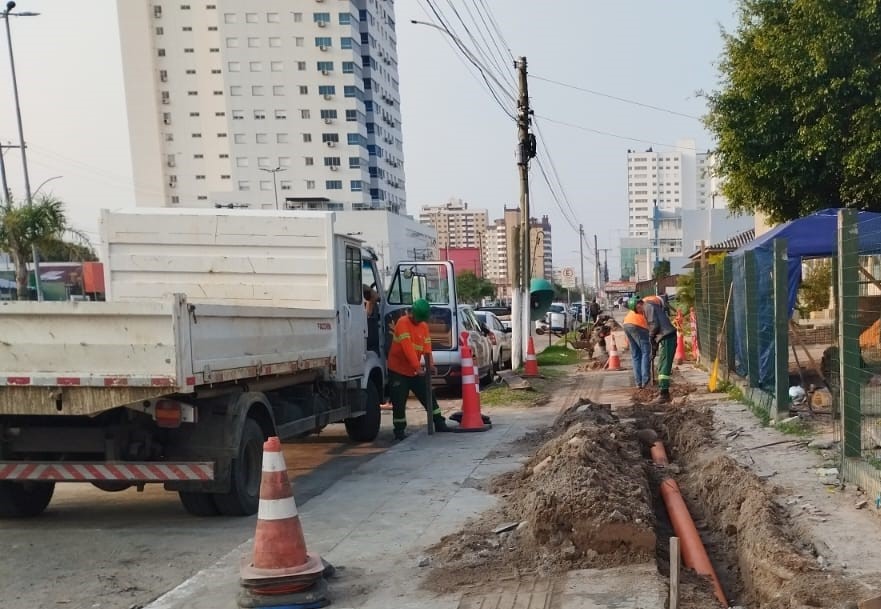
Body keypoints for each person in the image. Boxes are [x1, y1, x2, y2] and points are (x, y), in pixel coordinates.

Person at [387, 298, 450, 439]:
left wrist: (430, 364)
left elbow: (427, 347)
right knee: (399, 401)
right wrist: (418, 367)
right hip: (398, 370)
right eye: (418, 318)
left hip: (414, 369)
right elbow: (407, 347)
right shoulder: (402, 323)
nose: (420, 321)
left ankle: (439, 422)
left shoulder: (423, 326)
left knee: (428, 395)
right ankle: (399, 431)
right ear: (412, 314)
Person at [642, 294, 678, 404]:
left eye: (637, 311)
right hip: (665, 337)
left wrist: (651, 338)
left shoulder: (647, 307)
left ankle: (664, 394)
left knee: (663, 367)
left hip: (667, 337)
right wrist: (654, 345)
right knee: (662, 366)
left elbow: (654, 325)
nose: (639, 313)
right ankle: (663, 391)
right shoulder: (652, 306)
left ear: (638, 306)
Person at [623, 297, 651, 389]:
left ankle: (638, 382)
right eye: (637, 309)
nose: (639, 310)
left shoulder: (649, 303)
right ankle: (645, 380)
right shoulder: (648, 305)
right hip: (638, 326)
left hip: (627, 324)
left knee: (636, 355)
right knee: (645, 352)